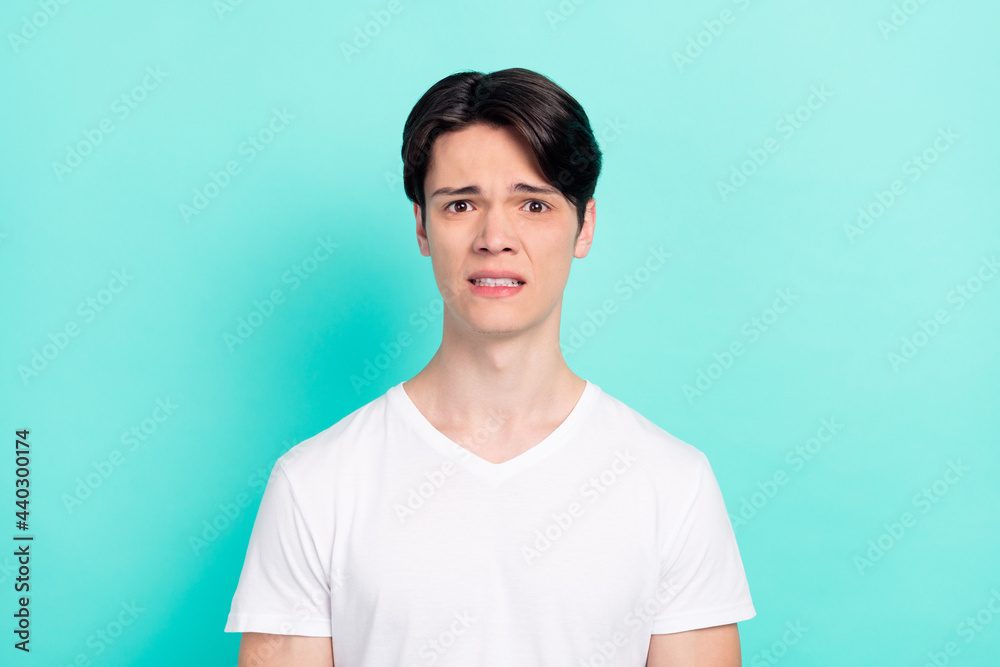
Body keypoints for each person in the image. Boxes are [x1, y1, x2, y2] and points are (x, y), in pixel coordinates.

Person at [224, 67, 755, 666]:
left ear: (584, 226)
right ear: (422, 228)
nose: (495, 237)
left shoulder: (673, 484)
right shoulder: (315, 485)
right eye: (460, 204)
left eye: (534, 204)